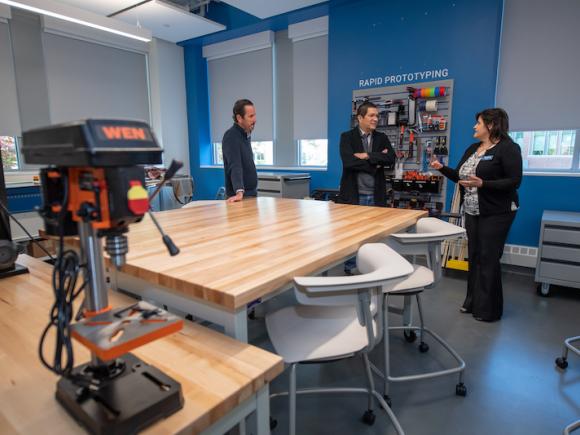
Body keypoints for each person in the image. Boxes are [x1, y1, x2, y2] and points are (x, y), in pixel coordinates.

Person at [430, 108, 522, 322]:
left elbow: (515, 181)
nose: (474, 126)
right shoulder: (474, 148)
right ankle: (472, 302)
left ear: (490, 125)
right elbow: (461, 177)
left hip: (497, 212)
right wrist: (442, 168)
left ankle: (489, 310)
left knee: (488, 258)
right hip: (472, 211)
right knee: (475, 257)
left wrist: (484, 184)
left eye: (478, 123)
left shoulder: (508, 149)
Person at [338, 101, 395, 273]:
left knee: (374, 234)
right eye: (371, 115)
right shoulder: (347, 137)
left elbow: (391, 159)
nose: (375, 119)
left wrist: (366, 155)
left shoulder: (381, 138)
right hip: (353, 195)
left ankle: (371, 267)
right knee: (352, 234)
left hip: (375, 194)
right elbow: (348, 162)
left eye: (377, 115)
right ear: (360, 117)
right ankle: (350, 267)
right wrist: (375, 162)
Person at [222, 99, 258, 203]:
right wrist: (239, 192)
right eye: (251, 116)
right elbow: (234, 165)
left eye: (254, 115)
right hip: (240, 197)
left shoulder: (245, 134)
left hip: (251, 194)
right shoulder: (231, 136)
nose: (255, 119)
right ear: (239, 118)